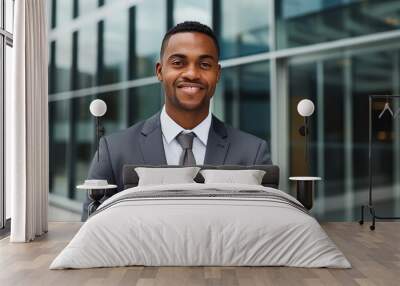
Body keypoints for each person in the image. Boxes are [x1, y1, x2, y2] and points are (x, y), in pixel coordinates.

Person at [81, 21, 272, 221]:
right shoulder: (113, 151)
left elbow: (269, 228)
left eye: (204, 64)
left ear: (217, 74)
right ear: (159, 71)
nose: (191, 73)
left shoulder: (253, 154)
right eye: (178, 63)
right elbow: (91, 232)